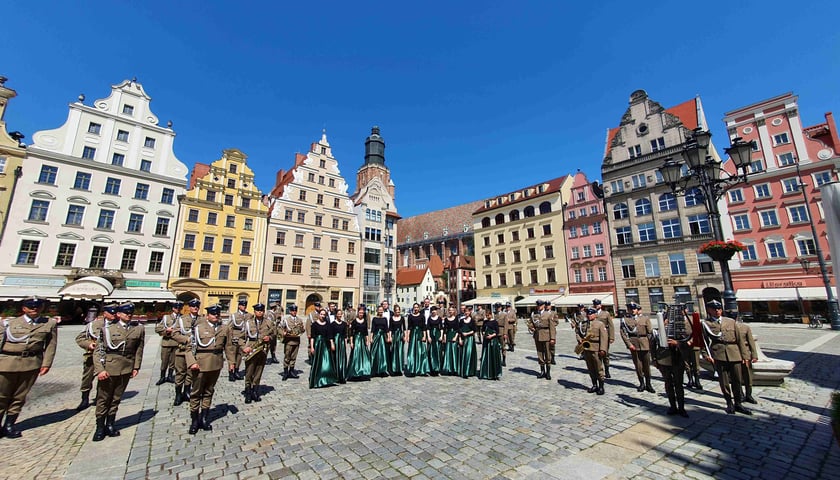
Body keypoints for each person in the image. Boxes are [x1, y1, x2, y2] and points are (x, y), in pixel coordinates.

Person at [0, 296, 57, 438]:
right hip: (7, 363)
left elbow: (51, 345)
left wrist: (46, 363)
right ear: (24, 308)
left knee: (20, 396)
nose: (34, 309)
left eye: (37, 306)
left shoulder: (49, 323)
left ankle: (9, 425)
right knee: (1, 396)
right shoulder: (9, 323)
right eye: (30, 306)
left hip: (31, 363)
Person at [92, 302, 144, 441]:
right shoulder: (107, 329)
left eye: (130, 313)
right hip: (109, 368)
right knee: (103, 398)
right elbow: (98, 352)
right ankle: (99, 427)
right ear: (119, 314)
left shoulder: (138, 329)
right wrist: (100, 370)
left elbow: (139, 349)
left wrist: (136, 366)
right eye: (125, 313)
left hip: (126, 367)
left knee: (116, 398)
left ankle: (110, 424)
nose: (129, 315)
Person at [701, 299, 752, 415]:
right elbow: (703, 341)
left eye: (719, 309)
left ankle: (738, 403)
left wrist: (745, 356)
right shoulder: (706, 324)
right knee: (724, 381)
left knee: (737, 380)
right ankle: (729, 403)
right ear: (709, 310)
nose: (717, 311)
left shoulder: (730, 322)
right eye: (714, 309)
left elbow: (740, 340)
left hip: (734, 353)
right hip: (719, 354)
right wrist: (705, 355)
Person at [186, 304, 229, 434]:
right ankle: (194, 420)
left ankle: (204, 418)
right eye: (213, 314)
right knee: (196, 392)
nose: (216, 316)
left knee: (209, 391)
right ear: (207, 315)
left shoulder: (224, 328)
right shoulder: (198, 329)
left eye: (217, 314)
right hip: (200, 364)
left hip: (216, 364)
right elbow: (188, 348)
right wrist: (192, 362)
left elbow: (228, 346)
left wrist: (232, 363)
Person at [654, 304, 692, 417]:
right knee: (668, 384)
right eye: (665, 319)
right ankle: (672, 406)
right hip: (664, 361)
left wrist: (677, 343)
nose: (667, 322)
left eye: (668, 319)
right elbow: (653, 346)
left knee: (679, 385)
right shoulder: (658, 331)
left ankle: (681, 408)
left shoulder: (679, 331)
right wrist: (655, 360)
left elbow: (686, 344)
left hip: (677, 360)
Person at [74, 304, 111, 411]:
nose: (113, 315)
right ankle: (84, 398)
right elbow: (80, 338)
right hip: (92, 357)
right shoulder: (94, 325)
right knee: (87, 378)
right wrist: (89, 344)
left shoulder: (117, 325)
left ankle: (101, 398)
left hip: (108, 357)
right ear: (105, 313)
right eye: (111, 313)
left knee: (105, 379)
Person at [241, 303, 273, 403]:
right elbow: (240, 338)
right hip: (251, 349)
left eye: (262, 310)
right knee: (249, 372)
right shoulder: (248, 322)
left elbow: (274, 334)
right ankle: (248, 392)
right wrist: (244, 347)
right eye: (258, 310)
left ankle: (255, 391)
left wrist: (270, 338)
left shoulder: (268, 322)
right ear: (254, 312)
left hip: (263, 350)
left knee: (259, 371)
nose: (260, 312)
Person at [620, 302, 655, 393]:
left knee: (647, 365)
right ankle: (642, 383)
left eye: (634, 309)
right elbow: (623, 333)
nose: (632, 310)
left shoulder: (645, 319)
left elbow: (650, 332)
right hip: (634, 344)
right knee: (638, 366)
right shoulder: (625, 320)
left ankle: (648, 384)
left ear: (637, 309)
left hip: (645, 343)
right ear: (628, 310)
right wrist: (629, 345)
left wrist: (650, 345)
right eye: (631, 309)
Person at [170, 298, 200, 406]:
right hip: (182, 350)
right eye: (193, 306)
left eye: (197, 306)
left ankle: (187, 392)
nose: (195, 308)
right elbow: (174, 334)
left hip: (194, 351)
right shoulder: (182, 319)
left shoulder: (202, 320)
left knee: (190, 373)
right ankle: (178, 394)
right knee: (180, 373)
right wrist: (186, 339)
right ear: (189, 307)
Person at [154, 301, 183, 386]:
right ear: (173, 308)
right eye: (177, 308)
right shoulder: (166, 317)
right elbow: (158, 329)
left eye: (180, 308)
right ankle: (162, 377)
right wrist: (166, 331)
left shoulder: (182, 318)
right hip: (167, 342)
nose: (178, 310)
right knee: (164, 361)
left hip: (177, 343)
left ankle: (170, 376)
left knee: (173, 361)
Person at [581, 308, 608, 395]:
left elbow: (604, 338)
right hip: (586, 348)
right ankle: (594, 385)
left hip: (596, 349)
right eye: (588, 314)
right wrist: (579, 340)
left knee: (598, 368)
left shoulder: (600, 324)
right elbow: (578, 332)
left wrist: (603, 349)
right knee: (590, 368)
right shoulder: (584, 324)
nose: (589, 315)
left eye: (591, 314)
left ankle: (601, 386)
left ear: (595, 315)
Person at [309, 310, 339, 389]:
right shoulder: (314, 325)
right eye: (321, 314)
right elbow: (312, 337)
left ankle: (327, 379)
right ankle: (317, 379)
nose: (322, 316)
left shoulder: (327, 325)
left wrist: (332, 344)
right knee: (318, 362)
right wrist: (312, 347)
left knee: (326, 362)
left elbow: (330, 336)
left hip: (325, 345)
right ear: (319, 315)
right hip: (318, 344)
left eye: (324, 315)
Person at [526, 300, 556, 380]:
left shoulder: (548, 314)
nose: (538, 307)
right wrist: (531, 327)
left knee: (547, 353)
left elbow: (552, 327)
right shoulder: (534, 314)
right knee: (539, 353)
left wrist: (552, 338)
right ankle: (542, 371)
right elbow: (530, 322)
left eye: (540, 305)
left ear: (543, 306)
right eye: (537, 305)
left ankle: (548, 372)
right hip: (537, 335)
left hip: (546, 335)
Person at [279, 304, 305, 381]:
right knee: (287, 356)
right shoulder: (286, 320)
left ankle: (292, 371)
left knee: (294, 356)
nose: (294, 312)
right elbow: (280, 328)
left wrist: (302, 330)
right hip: (289, 341)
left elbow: (302, 329)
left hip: (296, 340)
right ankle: (285, 371)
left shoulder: (299, 320)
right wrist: (283, 333)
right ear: (290, 311)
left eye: (295, 311)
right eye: (292, 311)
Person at [227, 300, 250, 382]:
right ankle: (231, 373)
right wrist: (230, 337)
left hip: (243, 338)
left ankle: (236, 371)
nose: (244, 306)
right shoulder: (234, 315)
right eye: (242, 305)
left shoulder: (249, 315)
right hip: (234, 337)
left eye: (245, 305)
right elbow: (229, 327)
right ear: (239, 306)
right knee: (232, 355)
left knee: (239, 356)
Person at [347, 306, 371, 381]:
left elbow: (366, 332)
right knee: (356, 356)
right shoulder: (354, 321)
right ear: (358, 313)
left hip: (362, 340)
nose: (361, 314)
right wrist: (351, 342)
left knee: (364, 356)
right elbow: (351, 333)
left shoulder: (365, 321)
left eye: (362, 313)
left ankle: (363, 371)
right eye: (360, 312)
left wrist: (367, 340)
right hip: (356, 340)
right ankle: (354, 372)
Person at [737, 317, 759, 404]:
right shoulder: (725, 327)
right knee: (737, 376)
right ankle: (740, 394)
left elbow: (751, 342)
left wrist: (754, 355)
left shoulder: (745, 327)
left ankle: (749, 394)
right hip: (734, 354)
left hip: (746, 354)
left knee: (748, 375)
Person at [405, 303, 430, 377]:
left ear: (419, 308)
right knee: (412, 352)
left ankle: (421, 369)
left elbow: (423, 327)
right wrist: (408, 336)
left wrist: (424, 336)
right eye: (414, 307)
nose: (415, 309)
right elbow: (409, 327)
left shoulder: (422, 316)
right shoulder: (410, 316)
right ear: (413, 308)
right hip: (413, 335)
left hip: (420, 334)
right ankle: (412, 369)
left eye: (417, 307)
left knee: (421, 352)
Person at [593, 299, 615, 378]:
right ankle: (598, 369)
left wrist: (611, 337)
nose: (596, 306)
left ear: (600, 305)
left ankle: (607, 370)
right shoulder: (592, 313)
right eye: (595, 304)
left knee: (605, 353)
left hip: (605, 336)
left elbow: (611, 325)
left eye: (598, 304)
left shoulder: (606, 313)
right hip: (595, 337)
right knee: (596, 354)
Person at [479, 310, 502, 380]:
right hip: (486, 341)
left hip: (493, 341)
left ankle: (495, 373)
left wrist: (491, 336)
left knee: (493, 356)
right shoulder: (485, 322)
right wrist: (483, 334)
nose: (487, 316)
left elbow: (497, 331)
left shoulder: (494, 322)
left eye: (488, 315)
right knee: (486, 356)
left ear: (491, 315)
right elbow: (482, 330)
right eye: (486, 315)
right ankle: (485, 372)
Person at [369, 305, 390, 377]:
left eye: (382, 310)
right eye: (379, 310)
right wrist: (371, 338)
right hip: (376, 337)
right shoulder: (374, 319)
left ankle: (382, 369)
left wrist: (388, 337)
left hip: (383, 337)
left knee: (383, 354)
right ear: (377, 311)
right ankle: (374, 370)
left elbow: (387, 329)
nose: (380, 311)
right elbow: (372, 329)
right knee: (374, 353)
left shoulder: (385, 319)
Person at [458, 308, 478, 378]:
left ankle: (468, 371)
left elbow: (474, 330)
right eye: (465, 312)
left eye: (467, 312)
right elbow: (459, 330)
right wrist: (460, 339)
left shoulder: (472, 321)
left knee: (468, 355)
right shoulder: (461, 321)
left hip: (469, 339)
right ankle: (462, 370)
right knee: (462, 355)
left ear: (469, 312)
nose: (466, 313)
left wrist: (467, 333)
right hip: (463, 339)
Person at [441, 306, 461, 376]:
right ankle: (449, 368)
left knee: (454, 352)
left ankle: (455, 369)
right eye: (449, 310)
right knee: (448, 352)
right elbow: (445, 329)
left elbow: (458, 329)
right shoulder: (446, 319)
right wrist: (445, 338)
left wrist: (456, 337)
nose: (450, 311)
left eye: (452, 310)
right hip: (448, 335)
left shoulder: (456, 319)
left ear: (454, 311)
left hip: (454, 335)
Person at [331, 309, 349, 383]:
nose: (339, 315)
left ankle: (342, 375)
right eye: (338, 314)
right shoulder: (332, 324)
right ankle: (336, 375)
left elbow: (345, 335)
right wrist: (332, 343)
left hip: (341, 342)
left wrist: (345, 344)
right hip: (335, 342)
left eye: (341, 314)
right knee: (335, 358)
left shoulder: (344, 324)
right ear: (336, 315)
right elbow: (331, 335)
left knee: (342, 358)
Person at [388, 304, 405, 376]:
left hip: (400, 336)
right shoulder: (391, 318)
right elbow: (390, 328)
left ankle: (400, 368)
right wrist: (390, 337)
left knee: (400, 352)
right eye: (397, 312)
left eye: (399, 312)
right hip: (394, 336)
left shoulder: (402, 318)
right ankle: (394, 368)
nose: (398, 313)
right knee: (394, 352)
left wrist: (405, 336)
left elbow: (404, 328)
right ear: (394, 311)